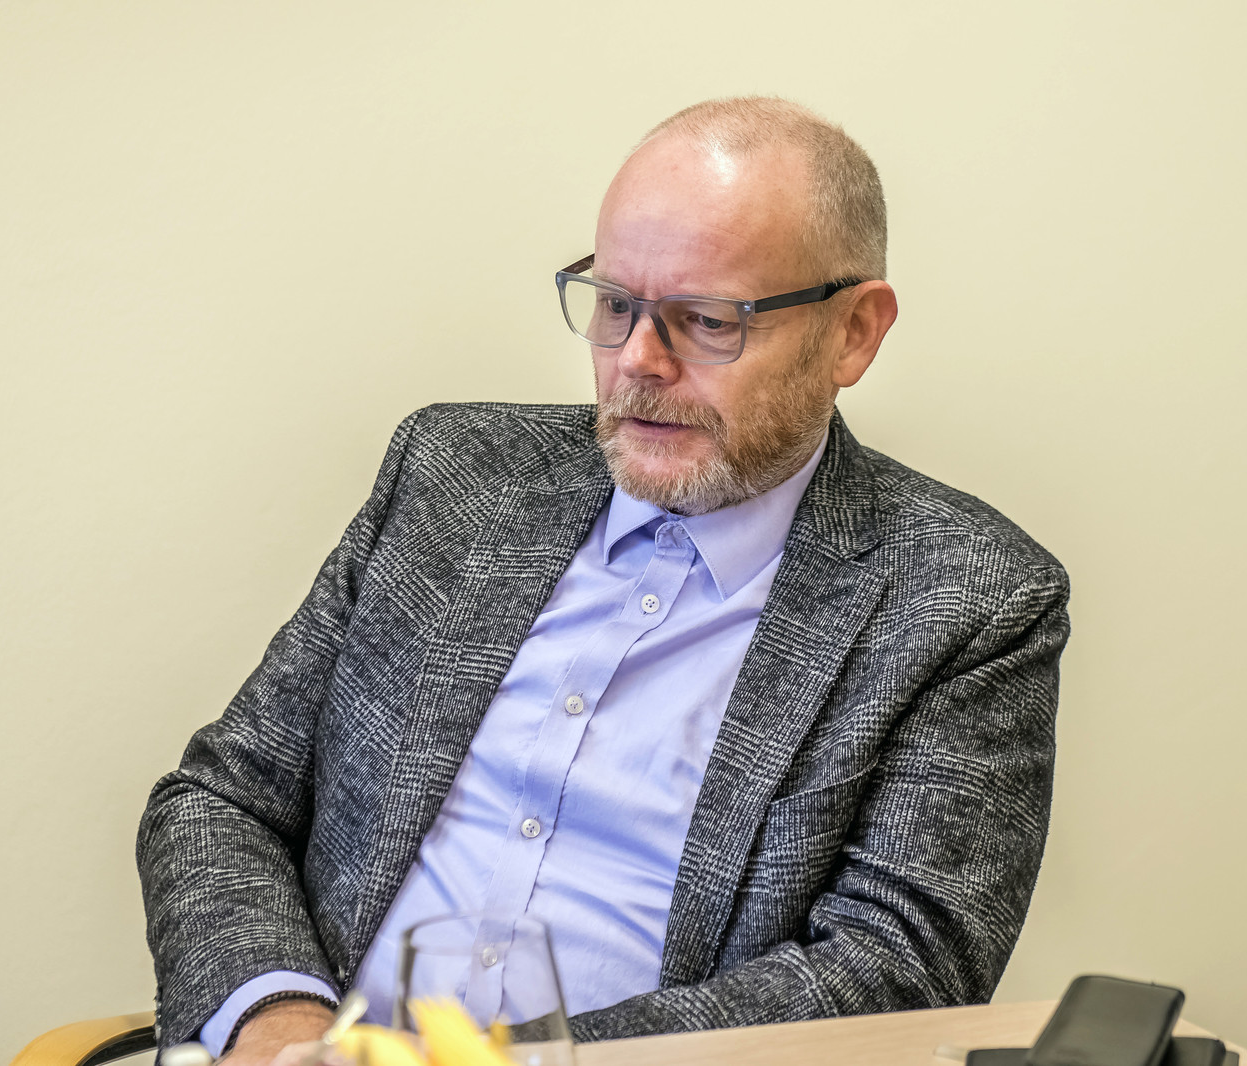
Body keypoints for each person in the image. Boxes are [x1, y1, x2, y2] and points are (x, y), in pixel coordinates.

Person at [136, 96, 1070, 1065]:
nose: (636, 362)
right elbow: (224, 798)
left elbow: (894, 971)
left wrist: (484, 1062)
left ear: (854, 333)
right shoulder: (452, 474)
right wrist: (276, 1025)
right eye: (615, 305)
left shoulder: (968, 598)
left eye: (706, 321)